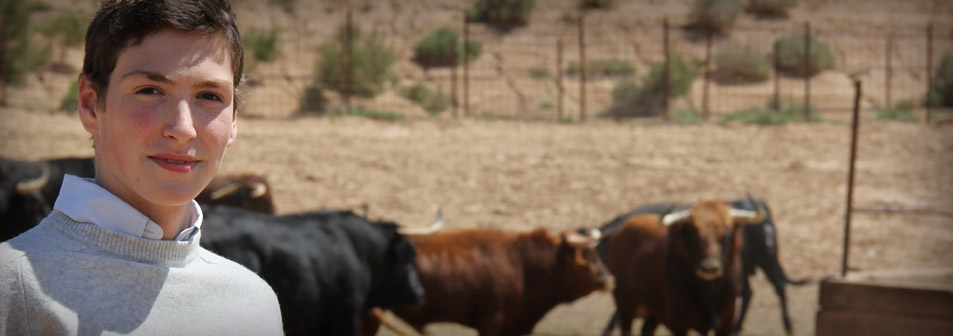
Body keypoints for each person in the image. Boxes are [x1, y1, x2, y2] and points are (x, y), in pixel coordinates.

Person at [0, 1, 283, 334]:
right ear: (91, 105)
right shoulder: (12, 289)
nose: (183, 128)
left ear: (233, 120)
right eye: (149, 90)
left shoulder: (253, 303)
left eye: (209, 96)